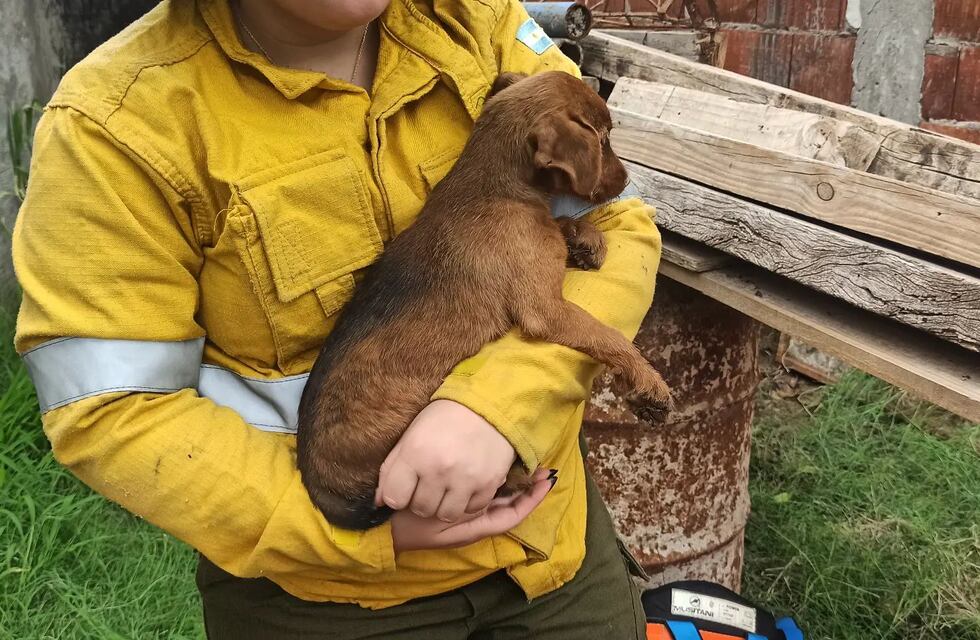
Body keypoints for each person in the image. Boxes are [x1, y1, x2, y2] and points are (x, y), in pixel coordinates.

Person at [13, 0, 663, 637]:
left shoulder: (478, 21)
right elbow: (111, 410)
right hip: (324, 600)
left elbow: (619, 224)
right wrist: (344, 528)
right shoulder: (112, 127)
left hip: (549, 551)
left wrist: (497, 410)